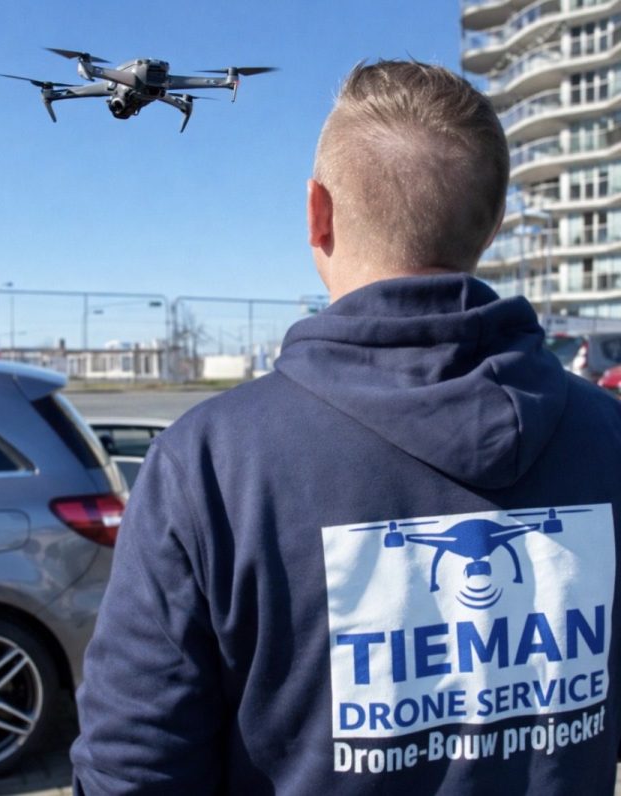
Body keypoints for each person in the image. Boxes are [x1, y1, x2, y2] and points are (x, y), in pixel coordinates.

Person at [71, 60, 621, 794]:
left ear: (317, 214)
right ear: (493, 223)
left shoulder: (209, 465)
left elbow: (133, 772)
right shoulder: (607, 437)